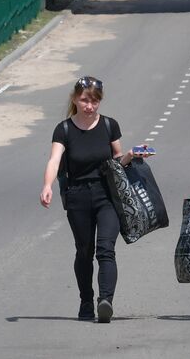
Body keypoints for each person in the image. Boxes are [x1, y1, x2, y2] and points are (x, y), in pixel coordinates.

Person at [41, 76, 150, 323]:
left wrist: (131, 155)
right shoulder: (64, 129)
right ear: (75, 99)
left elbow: (117, 162)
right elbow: (54, 160)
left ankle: (105, 301)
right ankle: (86, 301)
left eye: (94, 101)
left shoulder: (110, 125)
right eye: (84, 100)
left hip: (107, 195)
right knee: (84, 251)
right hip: (77, 196)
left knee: (106, 249)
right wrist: (47, 185)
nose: (89, 106)